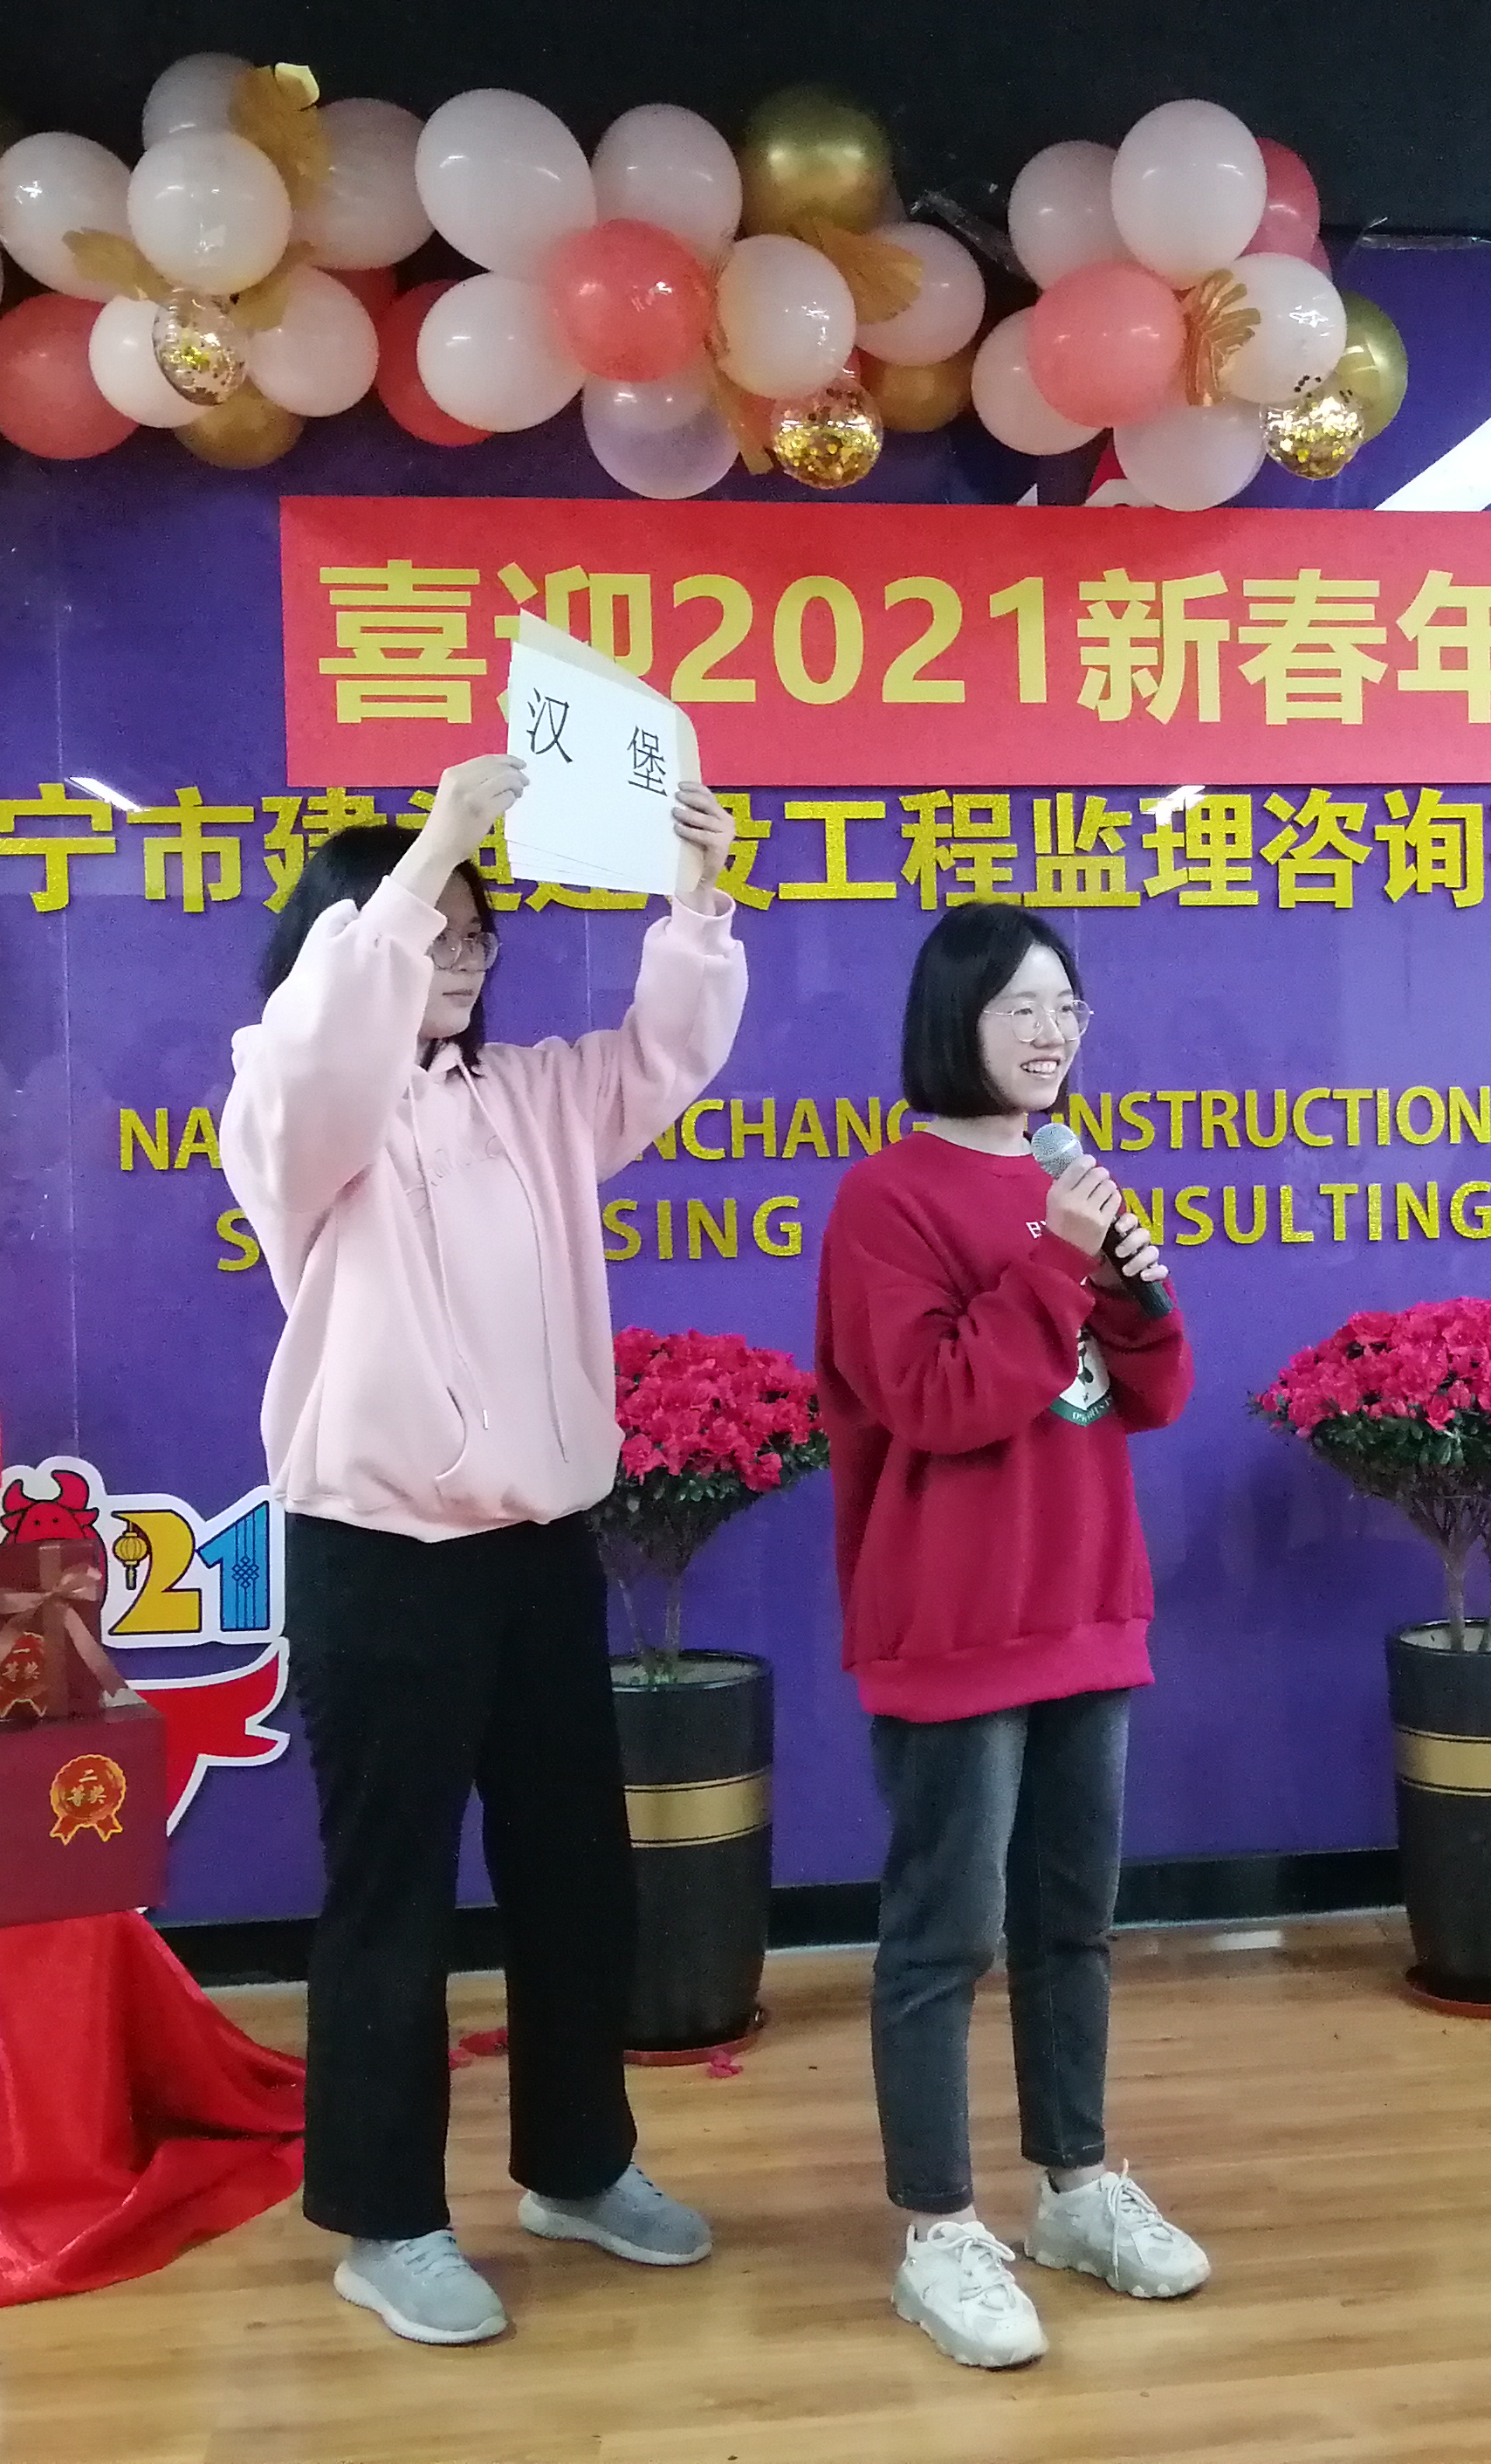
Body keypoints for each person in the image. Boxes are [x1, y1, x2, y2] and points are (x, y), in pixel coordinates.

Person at [221, 753, 746, 2350]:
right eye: (431, 929)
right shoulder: (293, 1100)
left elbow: (662, 1055)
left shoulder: (527, 1096)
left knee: (576, 1874)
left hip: (535, 1542)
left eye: (476, 932)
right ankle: (387, 2222)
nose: (461, 955)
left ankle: (579, 2165)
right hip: (380, 1551)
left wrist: (693, 899)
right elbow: (329, 1039)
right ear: (352, 937)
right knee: (391, 1895)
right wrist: (436, 840)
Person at [814, 903, 1208, 2371]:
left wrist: (1132, 1289)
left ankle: (1076, 2187)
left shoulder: (1068, 1182)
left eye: (1067, 1009)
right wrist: (1056, 1259)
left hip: (1087, 1603)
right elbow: (936, 1401)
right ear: (954, 1022)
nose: (1052, 1036)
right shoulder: (886, 1200)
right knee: (945, 1933)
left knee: (1071, 1922)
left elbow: (1149, 1395)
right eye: (1021, 1010)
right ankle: (938, 2229)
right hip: (955, 1619)